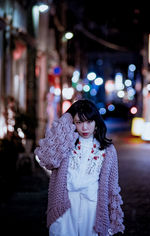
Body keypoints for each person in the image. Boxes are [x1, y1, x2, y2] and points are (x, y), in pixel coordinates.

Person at [34, 99, 125, 236]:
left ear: (96, 122)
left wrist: (112, 214)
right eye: (79, 122)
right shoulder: (65, 143)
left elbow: (112, 186)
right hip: (65, 204)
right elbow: (46, 160)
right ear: (72, 123)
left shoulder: (107, 150)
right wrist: (65, 119)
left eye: (89, 122)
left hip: (93, 206)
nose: (84, 128)